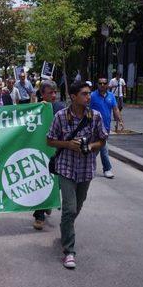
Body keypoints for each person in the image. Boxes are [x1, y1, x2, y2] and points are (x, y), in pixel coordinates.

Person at [47, 81, 107, 269]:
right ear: (73, 97)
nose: (88, 97)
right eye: (84, 94)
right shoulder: (60, 116)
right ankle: (69, 251)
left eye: (89, 94)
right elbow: (50, 140)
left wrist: (89, 146)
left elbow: (102, 140)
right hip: (66, 168)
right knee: (69, 209)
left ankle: (66, 229)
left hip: (86, 169)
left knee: (77, 207)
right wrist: (68, 145)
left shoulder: (94, 116)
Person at [32, 80, 65, 230]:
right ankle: (39, 215)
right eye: (49, 93)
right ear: (42, 94)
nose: (53, 95)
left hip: (57, 151)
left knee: (56, 182)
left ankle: (49, 202)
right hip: (40, 150)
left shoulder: (61, 108)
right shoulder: (35, 109)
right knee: (41, 181)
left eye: (54, 92)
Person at [90, 77, 123, 179]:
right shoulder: (92, 96)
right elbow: (85, 108)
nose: (102, 85)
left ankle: (88, 165)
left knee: (96, 149)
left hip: (106, 127)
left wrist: (120, 120)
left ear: (107, 84)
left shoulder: (111, 96)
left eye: (104, 83)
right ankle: (107, 169)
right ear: (97, 84)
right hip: (94, 127)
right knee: (103, 148)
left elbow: (115, 109)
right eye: (100, 83)